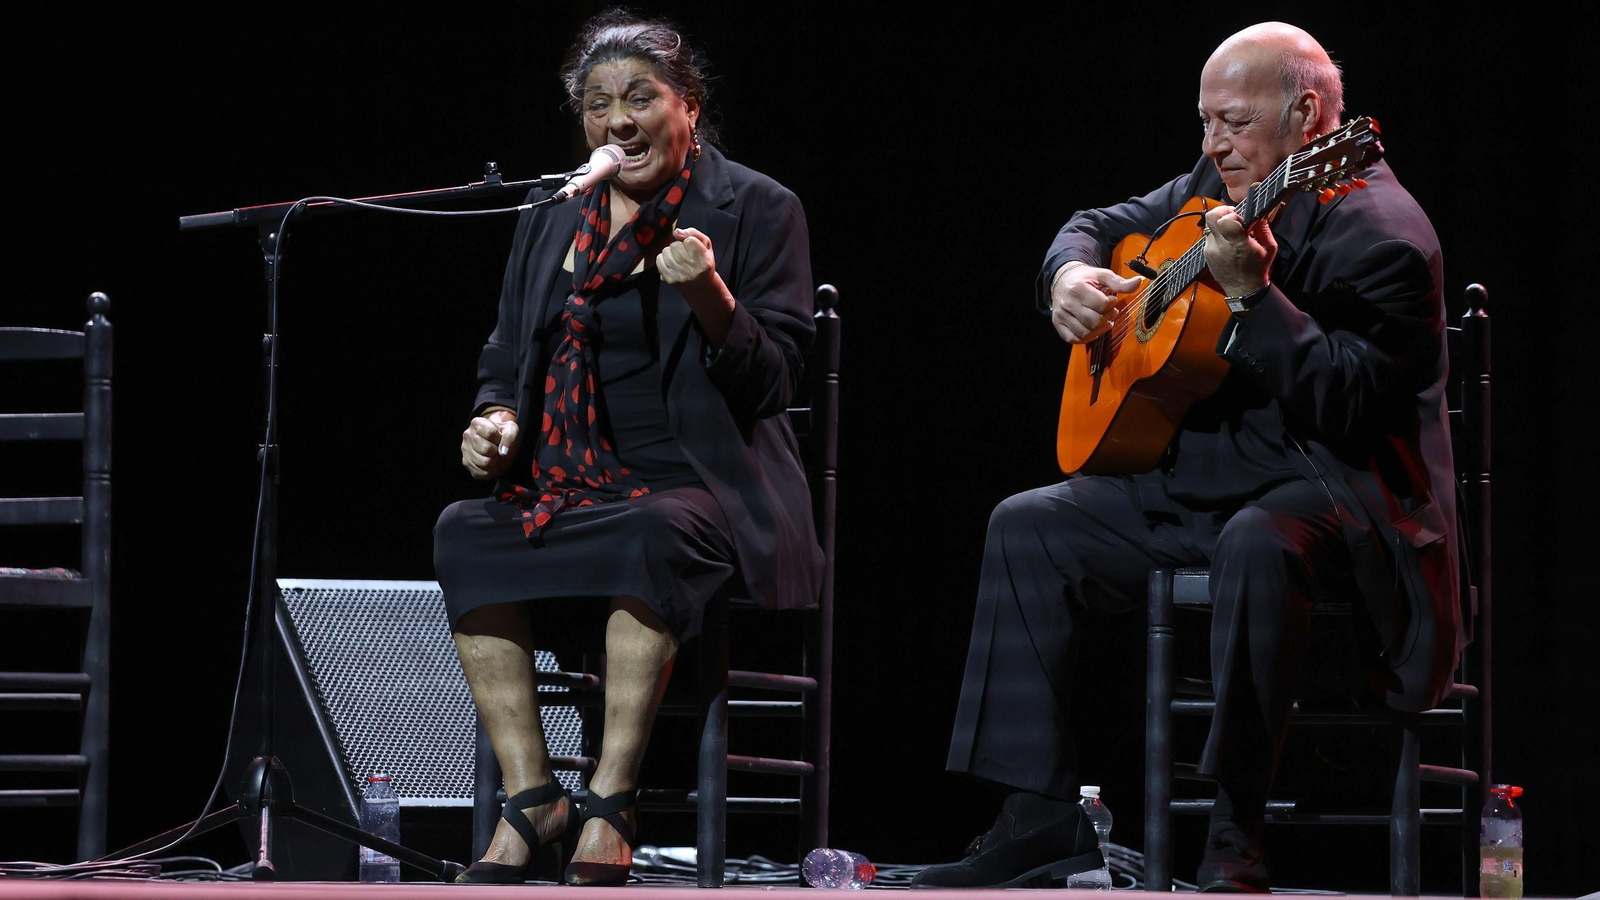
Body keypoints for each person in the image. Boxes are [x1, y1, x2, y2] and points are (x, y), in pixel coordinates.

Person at [911, 22, 1459, 892]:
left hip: (1342, 504)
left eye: (1232, 122)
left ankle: (1237, 833)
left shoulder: (1386, 235)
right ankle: (1038, 817)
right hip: (1215, 485)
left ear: (1307, 117)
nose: (1211, 145)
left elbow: (1348, 409)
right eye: (1205, 122)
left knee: (1256, 541)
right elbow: (1094, 225)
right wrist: (1067, 276)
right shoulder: (1217, 185)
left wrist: (1254, 298)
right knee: (1030, 526)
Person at [432, 10, 821, 886]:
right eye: (598, 105)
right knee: (462, 530)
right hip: (571, 484)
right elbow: (505, 353)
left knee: (652, 532)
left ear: (689, 108)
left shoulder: (758, 208)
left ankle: (610, 802)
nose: (620, 122)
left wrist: (712, 295)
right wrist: (495, 419)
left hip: (706, 488)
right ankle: (534, 798)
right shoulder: (552, 214)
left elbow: (773, 384)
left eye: (641, 99)